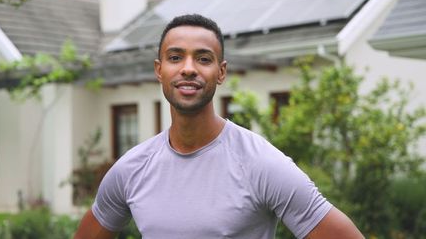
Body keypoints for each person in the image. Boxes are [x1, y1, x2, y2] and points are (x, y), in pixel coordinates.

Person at [75, 14, 364, 239]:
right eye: (175, 57)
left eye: (203, 58)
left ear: (221, 72)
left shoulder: (261, 164)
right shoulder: (132, 169)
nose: (188, 68)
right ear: (159, 70)